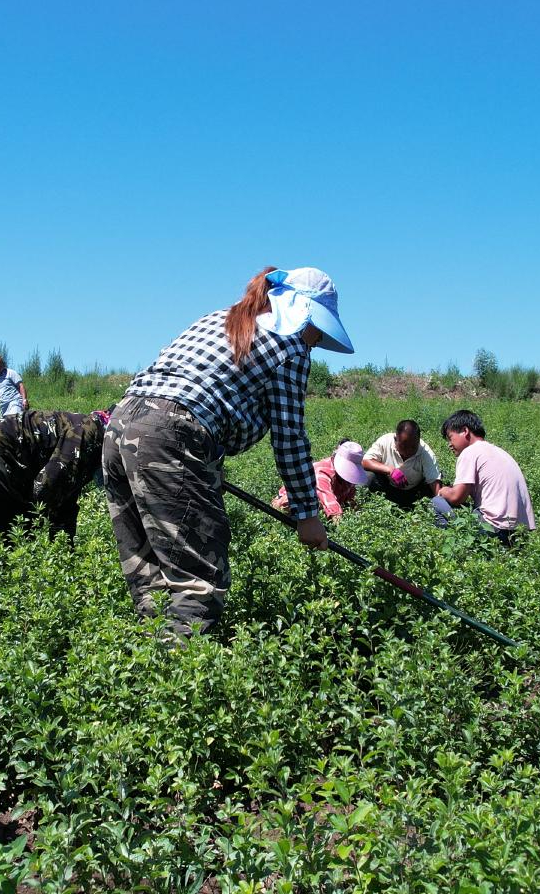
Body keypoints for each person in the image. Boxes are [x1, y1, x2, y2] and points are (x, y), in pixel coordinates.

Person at [102, 266, 352, 638]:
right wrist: (307, 514)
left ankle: (150, 662)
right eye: (318, 329)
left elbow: (196, 391)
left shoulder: (220, 318)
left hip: (121, 424)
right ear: (304, 314)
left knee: (149, 573)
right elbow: (289, 438)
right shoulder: (291, 345)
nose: (316, 341)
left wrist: (205, 467)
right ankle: (183, 671)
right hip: (170, 434)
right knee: (198, 581)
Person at [0, 409, 107, 537]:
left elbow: (66, 493)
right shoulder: (88, 431)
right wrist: (58, 549)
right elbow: (46, 488)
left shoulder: (86, 430)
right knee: (13, 541)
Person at [437, 409, 535, 543]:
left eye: (450, 437)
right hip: (521, 534)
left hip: (496, 530)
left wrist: (443, 491)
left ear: (465, 431)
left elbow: (456, 497)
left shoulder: (470, 452)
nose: (449, 444)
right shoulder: (500, 452)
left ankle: (456, 548)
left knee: (436, 503)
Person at [274, 440, 372, 520]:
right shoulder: (322, 472)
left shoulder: (347, 478)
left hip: (319, 506)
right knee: (317, 503)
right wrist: (342, 528)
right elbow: (329, 501)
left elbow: (350, 499)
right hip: (289, 503)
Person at [360, 419, 443, 510]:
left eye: (413, 447)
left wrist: (441, 504)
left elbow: (434, 481)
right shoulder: (385, 441)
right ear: (396, 439)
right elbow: (365, 461)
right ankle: (362, 505)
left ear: (418, 441)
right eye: (404, 446)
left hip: (413, 492)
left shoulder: (426, 453)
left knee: (434, 486)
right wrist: (390, 470)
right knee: (368, 476)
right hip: (387, 486)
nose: (409, 451)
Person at [0, 355, 28, 421]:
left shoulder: (10, 373)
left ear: (3, 364)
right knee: (4, 426)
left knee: (14, 421)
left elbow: (21, 386)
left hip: (14, 403)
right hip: (3, 408)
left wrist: (24, 400)